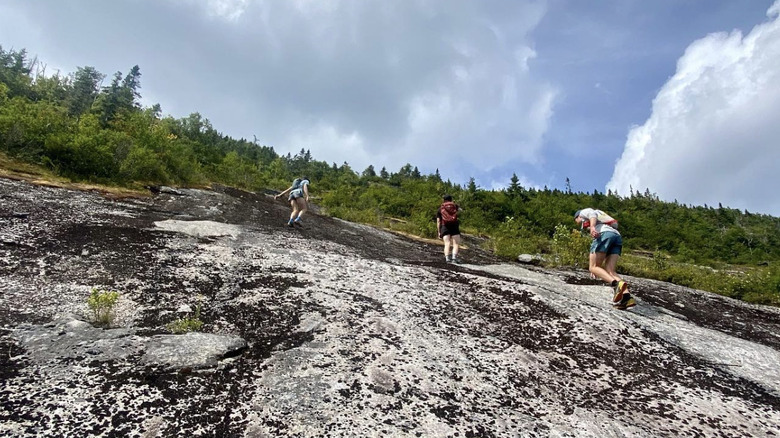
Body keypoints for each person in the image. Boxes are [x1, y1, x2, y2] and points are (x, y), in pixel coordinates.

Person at [574, 208, 636, 309]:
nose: (581, 225)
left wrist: (593, 227)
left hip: (604, 235)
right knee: (610, 271)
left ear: (578, 217)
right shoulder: (602, 215)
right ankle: (627, 298)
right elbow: (615, 225)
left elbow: (591, 213)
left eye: (577, 221)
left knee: (592, 267)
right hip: (616, 236)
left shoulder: (583, 213)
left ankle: (616, 285)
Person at [436, 195, 462, 263]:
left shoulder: (440, 209)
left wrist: (439, 232)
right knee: (456, 243)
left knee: (447, 243)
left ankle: (447, 259)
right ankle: (454, 258)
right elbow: (461, 211)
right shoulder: (455, 206)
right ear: (451, 199)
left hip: (445, 226)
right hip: (454, 226)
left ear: (443, 200)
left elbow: (438, 221)